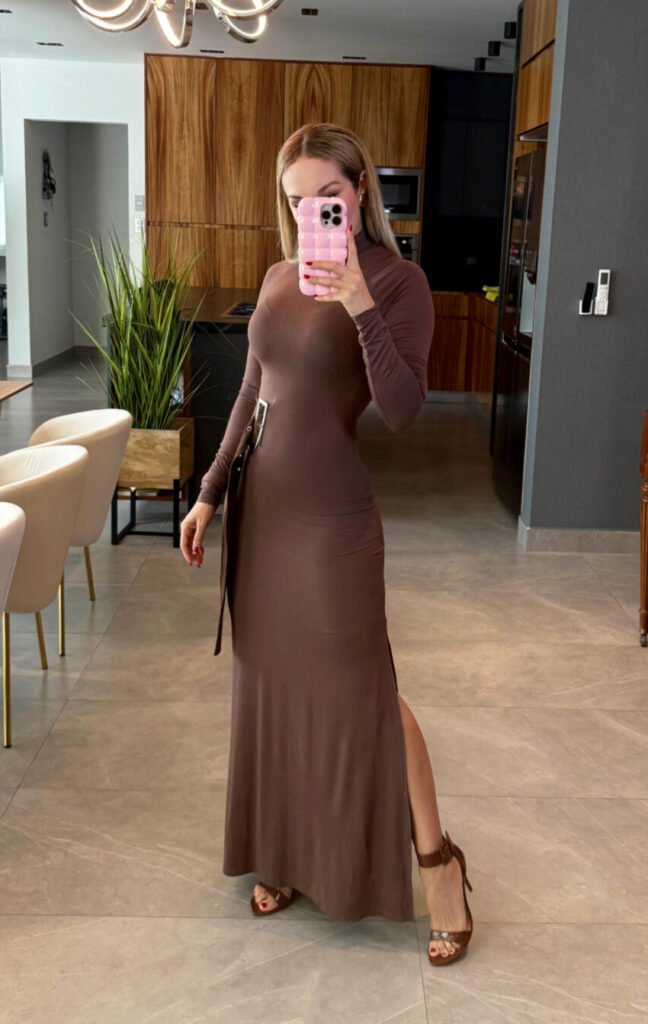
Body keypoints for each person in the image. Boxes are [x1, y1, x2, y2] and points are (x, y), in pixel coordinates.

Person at [180, 123, 474, 966]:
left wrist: (358, 302)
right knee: (273, 690)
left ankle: (441, 869)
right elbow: (252, 390)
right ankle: (286, 855)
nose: (313, 212)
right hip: (261, 514)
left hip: (331, 522)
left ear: (359, 190)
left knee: (365, 694)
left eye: (328, 197)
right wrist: (209, 491)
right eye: (298, 200)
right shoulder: (280, 276)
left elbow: (404, 409)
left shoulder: (400, 282)